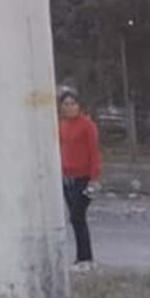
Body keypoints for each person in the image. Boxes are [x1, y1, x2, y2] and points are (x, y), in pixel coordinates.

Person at [57, 86, 101, 272]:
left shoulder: (87, 125)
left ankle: (86, 258)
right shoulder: (61, 125)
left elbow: (94, 152)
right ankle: (82, 258)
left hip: (84, 178)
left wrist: (94, 178)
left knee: (77, 216)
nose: (69, 108)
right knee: (75, 218)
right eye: (65, 104)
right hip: (67, 178)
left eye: (72, 104)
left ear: (79, 106)